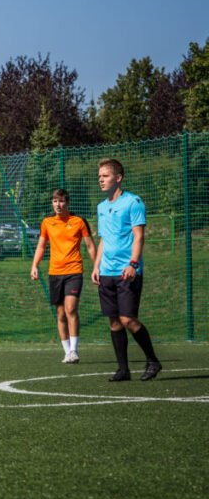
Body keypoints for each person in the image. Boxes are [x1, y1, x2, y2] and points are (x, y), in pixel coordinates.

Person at [91, 158, 162, 382]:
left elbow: (139, 236)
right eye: (100, 176)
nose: (101, 179)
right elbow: (103, 239)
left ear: (118, 178)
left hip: (126, 272)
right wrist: (96, 266)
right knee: (113, 321)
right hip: (106, 272)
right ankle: (123, 369)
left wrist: (133, 264)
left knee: (128, 319)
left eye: (105, 176)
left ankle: (153, 360)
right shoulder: (101, 207)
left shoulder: (133, 202)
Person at [29, 189, 97, 364]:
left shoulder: (79, 221)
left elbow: (90, 246)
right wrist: (34, 265)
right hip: (55, 273)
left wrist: (98, 267)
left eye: (61, 201)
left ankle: (74, 350)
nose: (57, 205)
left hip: (74, 271)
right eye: (54, 201)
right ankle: (67, 352)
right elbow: (41, 246)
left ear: (67, 202)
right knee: (60, 314)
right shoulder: (47, 222)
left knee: (71, 308)